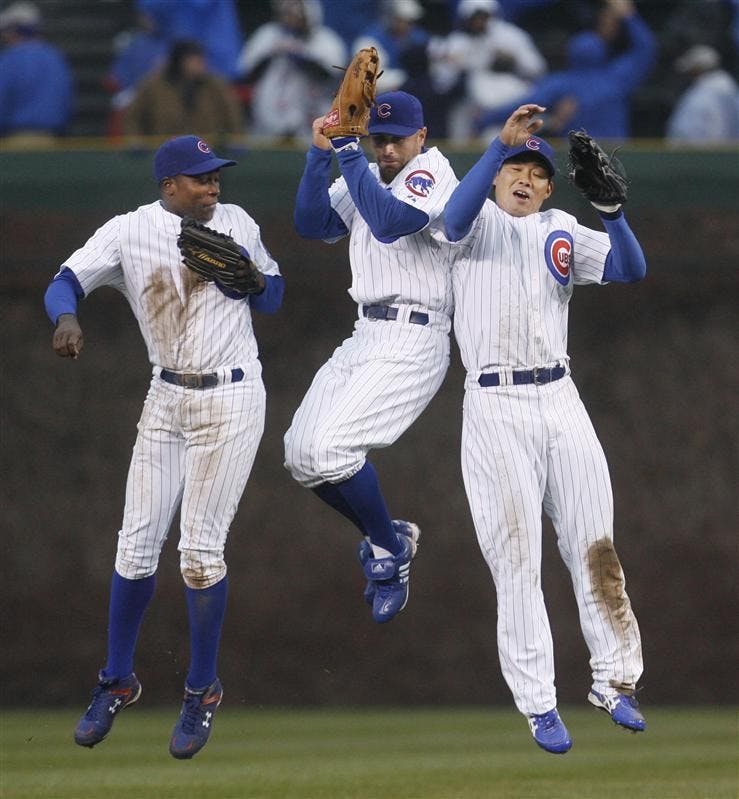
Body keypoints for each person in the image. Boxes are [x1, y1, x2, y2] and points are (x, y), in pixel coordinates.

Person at [44, 135, 284, 759]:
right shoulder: (128, 231)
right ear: (169, 184)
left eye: (217, 177)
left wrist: (253, 278)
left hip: (231, 398)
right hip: (167, 395)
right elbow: (65, 281)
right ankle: (117, 680)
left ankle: (202, 689)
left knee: (199, 554)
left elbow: (275, 298)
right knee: (134, 545)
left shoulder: (237, 223)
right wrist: (67, 319)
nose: (214, 187)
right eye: (202, 178)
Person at [444, 103, 647, 753]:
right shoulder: (470, 222)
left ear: (549, 185)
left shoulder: (559, 226)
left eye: (535, 170)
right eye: (514, 169)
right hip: (494, 405)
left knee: (596, 544)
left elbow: (627, 269)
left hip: (559, 396)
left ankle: (613, 678)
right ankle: (537, 703)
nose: (524, 177)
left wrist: (613, 214)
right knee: (516, 561)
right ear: (495, 177)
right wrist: (493, 147)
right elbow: (449, 217)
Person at [284, 90, 459, 624]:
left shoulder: (431, 173)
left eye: (396, 139)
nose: (386, 149)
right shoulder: (363, 170)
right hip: (366, 332)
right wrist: (320, 153)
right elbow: (311, 224)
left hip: (414, 336)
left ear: (421, 137)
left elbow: (388, 222)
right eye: (378, 139)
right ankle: (392, 538)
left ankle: (388, 554)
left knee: (332, 450)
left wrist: (348, 150)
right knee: (300, 454)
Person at [475, 0, 656, 140]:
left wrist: (484, 120)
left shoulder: (561, 83)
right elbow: (646, 47)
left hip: (579, 162)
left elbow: (524, 107)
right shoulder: (616, 76)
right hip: (619, 157)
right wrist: (629, 16)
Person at [428, 0, 547, 142]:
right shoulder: (457, 41)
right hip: (472, 107)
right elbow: (441, 84)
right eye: (474, 17)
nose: (479, 21)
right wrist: (452, 65)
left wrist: (513, 60)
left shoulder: (510, 35)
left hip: (510, 103)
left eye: (484, 16)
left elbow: (538, 68)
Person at [238, 0, 347, 140]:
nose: (291, 16)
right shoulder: (267, 34)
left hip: (311, 119)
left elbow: (331, 75)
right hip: (267, 119)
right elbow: (245, 74)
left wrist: (300, 56)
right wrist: (271, 53)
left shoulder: (325, 39)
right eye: (287, 11)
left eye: (297, 11)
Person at [123, 39, 244, 144]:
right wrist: (136, 141)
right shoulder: (153, 86)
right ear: (180, 61)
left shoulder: (214, 85)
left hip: (207, 151)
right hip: (165, 150)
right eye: (194, 60)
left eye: (201, 60)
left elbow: (232, 115)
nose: (200, 65)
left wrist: (236, 139)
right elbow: (133, 117)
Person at [0, 1, 74, 145]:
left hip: (14, 139)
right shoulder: (55, 57)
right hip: (52, 140)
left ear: (13, 30)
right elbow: (67, 101)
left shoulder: (10, 59)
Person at [665, 44, 739, 145]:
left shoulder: (700, 96)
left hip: (703, 157)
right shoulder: (732, 92)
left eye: (690, 71)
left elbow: (684, 135)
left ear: (696, 70)